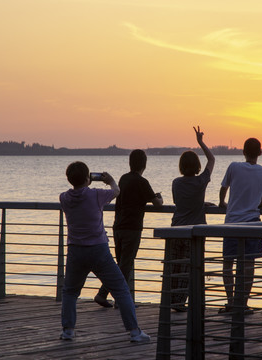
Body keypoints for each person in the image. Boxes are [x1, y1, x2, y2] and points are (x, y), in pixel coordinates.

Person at [59, 161, 150, 342]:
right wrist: (111, 181)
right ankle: (134, 332)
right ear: (88, 178)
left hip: (76, 250)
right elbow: (116, 192)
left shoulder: (64, 198)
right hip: (98, 249)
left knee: (70, 292)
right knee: (121, 290)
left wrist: (85, 182)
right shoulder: (96, 195)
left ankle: (68, 330)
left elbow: (78, 194)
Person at [94, 149, 163, 308]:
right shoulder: (142, 182)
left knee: (121, 264)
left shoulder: (124, 178)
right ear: (144, 164)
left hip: (118, 226)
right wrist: (159, 197)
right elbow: (157, 204)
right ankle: (120, 300)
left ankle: (103, 294)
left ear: (130, 163)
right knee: (125, 264)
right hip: (132, 228)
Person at [218, 138, 262, 313]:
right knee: (249, 264)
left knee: (228, 263)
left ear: (243, 151)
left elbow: (223, 188)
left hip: (232, 222)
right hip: (252, 223)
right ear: (260, 152)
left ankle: (231, 301)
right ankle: (243, 303)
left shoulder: (233, 167)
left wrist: (222, 203)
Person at [169, 126, 215, 312]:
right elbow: (212, 159)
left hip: (175, 229)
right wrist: (201, 142)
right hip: (193, 232)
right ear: (197, 166)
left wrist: (199, 204)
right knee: (189, 269)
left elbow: (179, 203)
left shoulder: (176, 183)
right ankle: (180, 303)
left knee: (174, 268)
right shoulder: (201, 181)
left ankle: (173, 300)